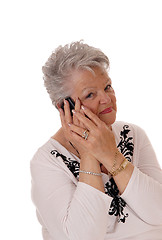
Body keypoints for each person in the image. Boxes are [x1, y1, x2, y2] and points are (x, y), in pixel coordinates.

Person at [30, 41, 162, 240]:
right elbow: (84, 236)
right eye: (90, 94)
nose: (106, 99)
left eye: (107, 87)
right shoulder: (46, 161)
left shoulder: (133, 134)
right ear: (64, 107)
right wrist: (89, 153)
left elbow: (158, 211)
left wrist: (110, 155)